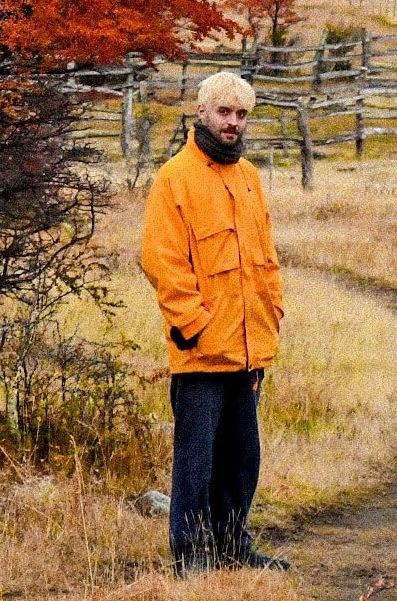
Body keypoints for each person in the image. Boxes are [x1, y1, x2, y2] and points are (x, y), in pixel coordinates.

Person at [140, 70, 289, 574]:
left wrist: (272, 313)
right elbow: (162, 262)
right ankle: (191, 555)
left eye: (241, 114)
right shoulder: (174, 178)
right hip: (201, 351)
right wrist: (194, 326)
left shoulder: (248, 177)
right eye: (224, 112)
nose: (233, 123)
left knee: (242, 460)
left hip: (249, 349)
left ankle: (232, 547)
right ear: (201, 113)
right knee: (196, 462)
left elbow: (266, 259)